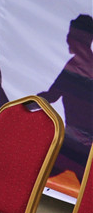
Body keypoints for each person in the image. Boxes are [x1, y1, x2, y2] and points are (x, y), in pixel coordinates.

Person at [38, 13, 93, 178]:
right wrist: (27, 104)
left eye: (71, 36)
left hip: (84, 149)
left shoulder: (78, 68)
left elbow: (51, 96)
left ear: (83, 40)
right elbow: (52, 95)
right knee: (37, 174)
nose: (67, 39)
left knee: (37, 174)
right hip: (71, 145)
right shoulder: (73, 66)